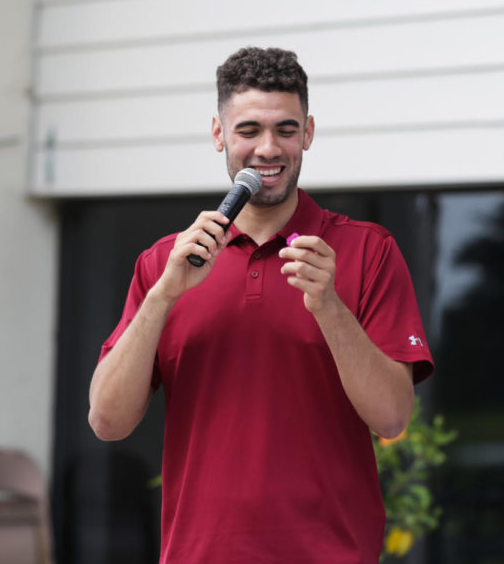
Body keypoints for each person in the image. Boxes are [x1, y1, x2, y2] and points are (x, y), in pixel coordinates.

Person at [89, 47, 434, 563]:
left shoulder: (369, 250)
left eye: (286, 130)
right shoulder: (165, 262)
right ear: (218, 135)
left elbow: (391, 419)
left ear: (309, 134)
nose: (268, 149)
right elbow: (107, 422)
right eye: (248, 130)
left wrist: (329, 308)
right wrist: (163, 294)